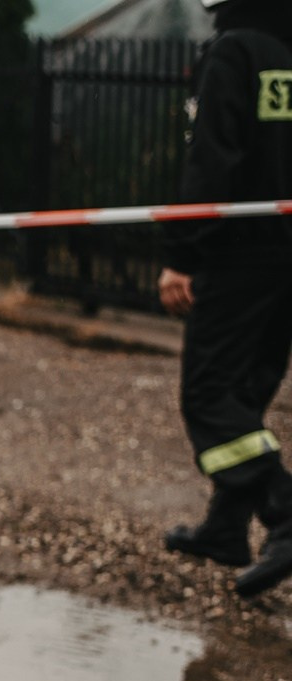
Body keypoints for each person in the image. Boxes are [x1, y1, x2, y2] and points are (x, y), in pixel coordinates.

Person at [159, 0, 292, 599]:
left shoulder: (233, 51)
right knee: (246, 388)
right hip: (287, 250)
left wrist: (184, 253)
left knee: (209, 393)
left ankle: (285, 511)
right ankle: (225, 528)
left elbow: (212, 159)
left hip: (239, 251)